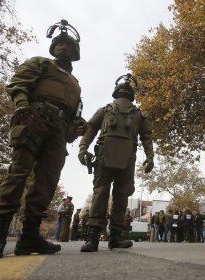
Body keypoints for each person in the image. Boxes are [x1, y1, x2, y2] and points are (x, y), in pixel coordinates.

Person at [0, 20, 86, 259]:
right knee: (18, 172)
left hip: (59, 130)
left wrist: (76, 127)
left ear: (75, 52)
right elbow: (18, 85)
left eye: (67, 44)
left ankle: (28, 237)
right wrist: (21, 106)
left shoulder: (76, 85)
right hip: (34, 117)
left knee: (47, 181)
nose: (62, 47)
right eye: (58, 43)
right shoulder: (40, 63)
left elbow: (73, 116)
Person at [78, 73, 154, 252]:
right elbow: (90, 129)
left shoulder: (132, 113)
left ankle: (98, 238)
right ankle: (108, 236)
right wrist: (82, 147)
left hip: (120, 157)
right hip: (111, 156)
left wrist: (83, 148)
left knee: (106, 194)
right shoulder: (109, 110)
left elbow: (146, 136)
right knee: (114, 195)